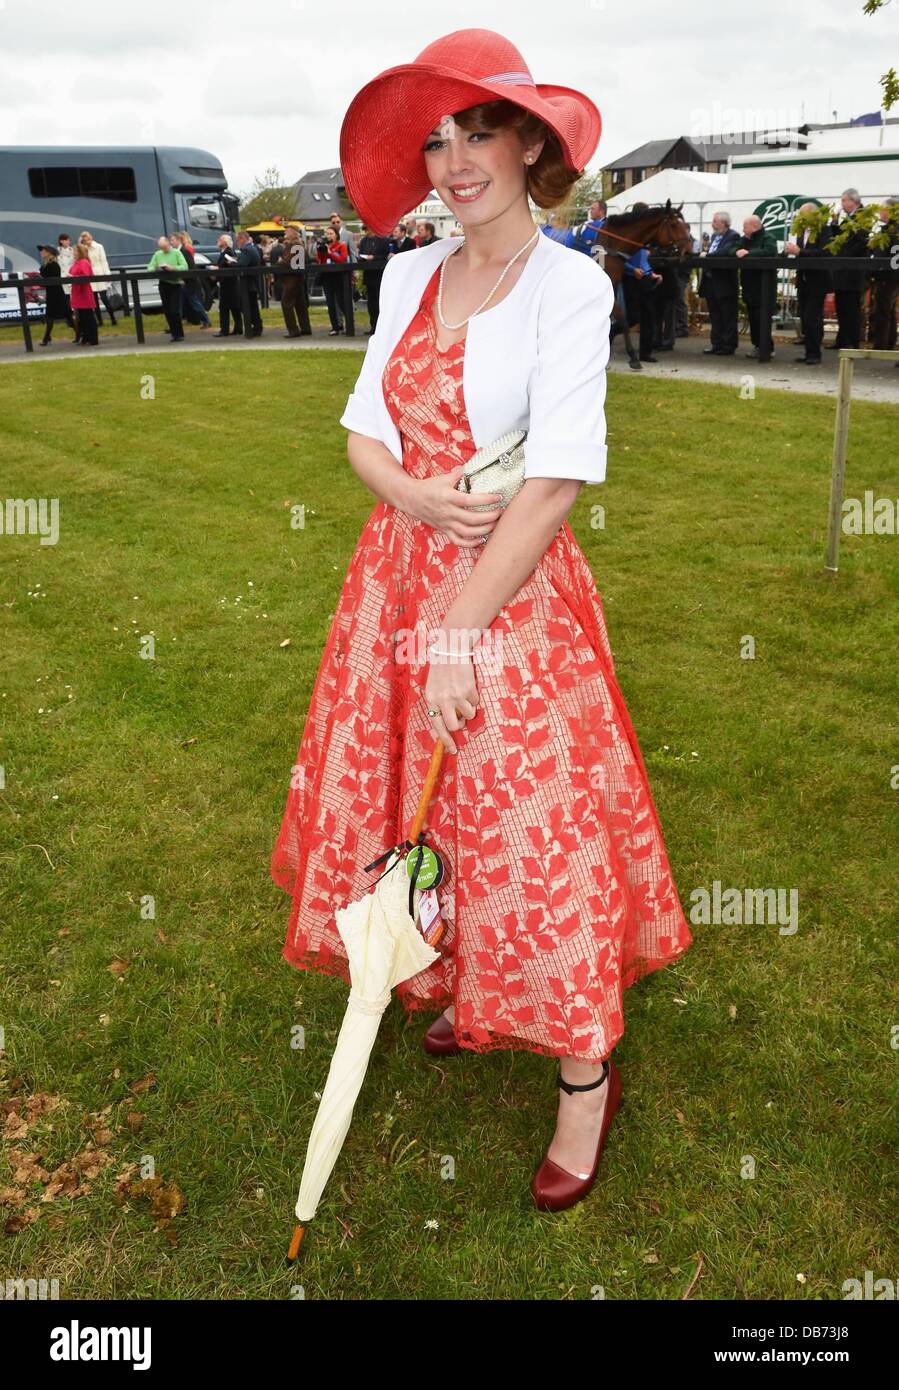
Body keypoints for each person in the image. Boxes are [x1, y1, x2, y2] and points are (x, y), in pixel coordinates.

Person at [270, 27, 692, 1215]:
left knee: (531, 818)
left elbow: (555, 478)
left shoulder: (572, 282)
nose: (454, 160)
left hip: (510, 591)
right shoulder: (408, 273)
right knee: (419, 797)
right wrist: (405, 491)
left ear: (528, 145)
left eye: (478, 133)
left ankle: (580, 1076)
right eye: (437, 140)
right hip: (392, 583)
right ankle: (461, 980)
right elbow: (362, 429)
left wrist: (458, 624)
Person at [783, 203, 834, 365]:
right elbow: (801, 253)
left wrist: (800, 252)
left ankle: (814, 353)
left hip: (817, 280)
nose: (799, 218)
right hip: (803, 280)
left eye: (802, 214)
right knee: (805, 317)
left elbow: (825, 253)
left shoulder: (824, 230)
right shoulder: (801, 232)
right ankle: (809, 351)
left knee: (812, 316)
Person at [827, 188, 869, 350]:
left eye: (844, 200)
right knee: (842, 306)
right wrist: (834, 224)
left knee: (851, 308)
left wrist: (844, 255)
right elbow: (839, 238)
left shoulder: (863, 217)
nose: (842, 204)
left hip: (853, 270)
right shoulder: (848, 219)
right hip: (842, 270)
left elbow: (860, 242)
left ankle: (852, 340)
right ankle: (842, 339)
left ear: (854, 201)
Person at [622, 206, 662, 362]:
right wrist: (632, 270)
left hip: (645, 278)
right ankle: (610, 336)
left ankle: (645, 353)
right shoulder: (628, 233)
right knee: (632, 317)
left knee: (648, 316)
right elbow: (620, 257)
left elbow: (644, 258)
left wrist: (651, 272)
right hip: (631, 279)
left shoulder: (646, 234)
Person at [734, 214, 778, 359]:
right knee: (753, 317)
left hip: (764, 287)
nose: (742, 230)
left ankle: (767, 347)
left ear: (754, 226)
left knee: (763, 317)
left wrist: (749, 253)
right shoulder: (744, 239)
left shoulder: (768, 237)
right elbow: (733, 249)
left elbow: (770, 251)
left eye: (745, 226)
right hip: (749, 286)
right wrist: (737, 251)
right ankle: (757, 345)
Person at [697, 211, 741, 355]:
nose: (712, 224)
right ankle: (716, 343)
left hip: (725, 282)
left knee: (727, 315)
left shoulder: (733, 236)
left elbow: (726, 251)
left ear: (723, 222)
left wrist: (707, 255)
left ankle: (728, 345)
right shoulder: (715, 236)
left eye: (715, 221)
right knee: (715, 315)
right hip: (710, 281)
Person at [869, 196, 899, 352]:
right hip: (886, 275)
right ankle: (888, 342)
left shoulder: (894, 230)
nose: (880, 212)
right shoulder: (888, 229)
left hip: (889, 276)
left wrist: (883, 268)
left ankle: (881, 344)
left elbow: (895, 255)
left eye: (883, 209)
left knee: (883, 309)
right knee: (888, 309)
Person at [146, 235, 188, 341]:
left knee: (174, 310)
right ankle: (174, 334)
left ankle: (179, 334)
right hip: (163, 284)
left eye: (164, 247)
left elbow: (184, 266)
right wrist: (157, 268)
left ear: (168, 244)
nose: (163, 250)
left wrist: (173, 268)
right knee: (167, 310)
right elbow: (149, 268)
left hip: (175, 284)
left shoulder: (176, 253)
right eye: (161, 248)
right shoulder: (157, 254)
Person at [170, 231, 212, 329]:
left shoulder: (185, 251)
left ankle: (206, 320)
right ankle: (176, 325)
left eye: (172, 240)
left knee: (194, 302)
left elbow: (191, 267)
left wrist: (185, 279)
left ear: (178, 240)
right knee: (183, 303)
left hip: (189, 281)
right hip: (185, 281)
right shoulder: (178, 251)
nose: (171, 242)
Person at [37, 245, 75, 345]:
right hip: (51, 293)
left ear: (49, 253)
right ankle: (46, 338)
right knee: (51, 316)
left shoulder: (53, 265)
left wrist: (41, 278)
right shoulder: (46, 264)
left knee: (67, 315)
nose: (41, 252)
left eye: (43, 251)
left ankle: (79, 333)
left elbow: (51, 279)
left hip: (57, 293)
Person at [357, 223, 391, 332]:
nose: (368, 232)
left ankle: (383, 328)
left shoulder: (384, 240)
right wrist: (362, 258)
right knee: (371, 303)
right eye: (366, 230)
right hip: (369, 276)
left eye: (370, 229)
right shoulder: (363, 241)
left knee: (380, 302)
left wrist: (375, 257)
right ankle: (373, 326)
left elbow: (386, 256)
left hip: (380, 275)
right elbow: (360, 254)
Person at [279, 227, 312, 337]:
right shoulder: (300, 244)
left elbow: (286, 262)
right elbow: (306, 260)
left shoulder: (293, 245)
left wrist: (281, 261)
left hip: (291, 279)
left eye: (287, 231)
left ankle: (293, 330)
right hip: (299, 278)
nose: (284, 232)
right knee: (300, 304)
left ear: (293, 233)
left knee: (286, 304)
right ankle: (305, 327)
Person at [316, 226, 349, 333]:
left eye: (331, 233)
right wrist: (321, 251)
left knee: (341, 301)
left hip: (339, 276)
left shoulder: (341, 245)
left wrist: (330, 253)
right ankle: (335, 327)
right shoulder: (324, 246)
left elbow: (342, 260)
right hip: (327, 276)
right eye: (327, 233)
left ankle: (348, 324)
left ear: (336, 235)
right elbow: (320, 261)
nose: (328, 236)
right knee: (330, 303)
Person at [80, 230, 117, 326]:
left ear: (91, 238)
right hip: (90, 274)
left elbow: (104, 261)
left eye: (87, 239)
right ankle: (100, 321)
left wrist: (107, 276)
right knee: (94, 300)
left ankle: (113, 318)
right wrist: (81, 244)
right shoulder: (83, 249)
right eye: (84, 240)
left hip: (100, 273)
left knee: (104, 298)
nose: (87, 242)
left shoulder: (99, 247)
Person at [69, 239, 99, 345]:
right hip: (77, 293)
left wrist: (73, 277)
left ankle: (93, 338)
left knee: (88, 317)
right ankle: (86, 337)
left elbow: (86, 276)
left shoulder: (84, 262)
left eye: (75, 251)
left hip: (84, 293)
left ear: (80, 252)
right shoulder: (76, 262)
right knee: (82, 317)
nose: (73, 253)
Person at [213, 233, 242, 336]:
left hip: (229, 284)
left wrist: (218, 269)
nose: (217, 241)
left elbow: (232, 265)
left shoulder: (228, 252)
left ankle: (224, 330)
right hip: (230, 284)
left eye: (219, 239)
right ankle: (238, 328)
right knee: (234, 307)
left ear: (224, 242)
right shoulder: (226, 252)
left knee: (224, 307)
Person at [236, 231, 264, 335]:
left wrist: (233, 263)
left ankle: (255, 327)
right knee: (253, 306)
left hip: (248, 283)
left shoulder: (246, 249)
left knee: (248, 306)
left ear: (243, 238)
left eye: (238, 240)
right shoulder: (252, 248)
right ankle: (257, 326)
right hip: (253, 282)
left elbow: (242, 264)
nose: (237, 242)